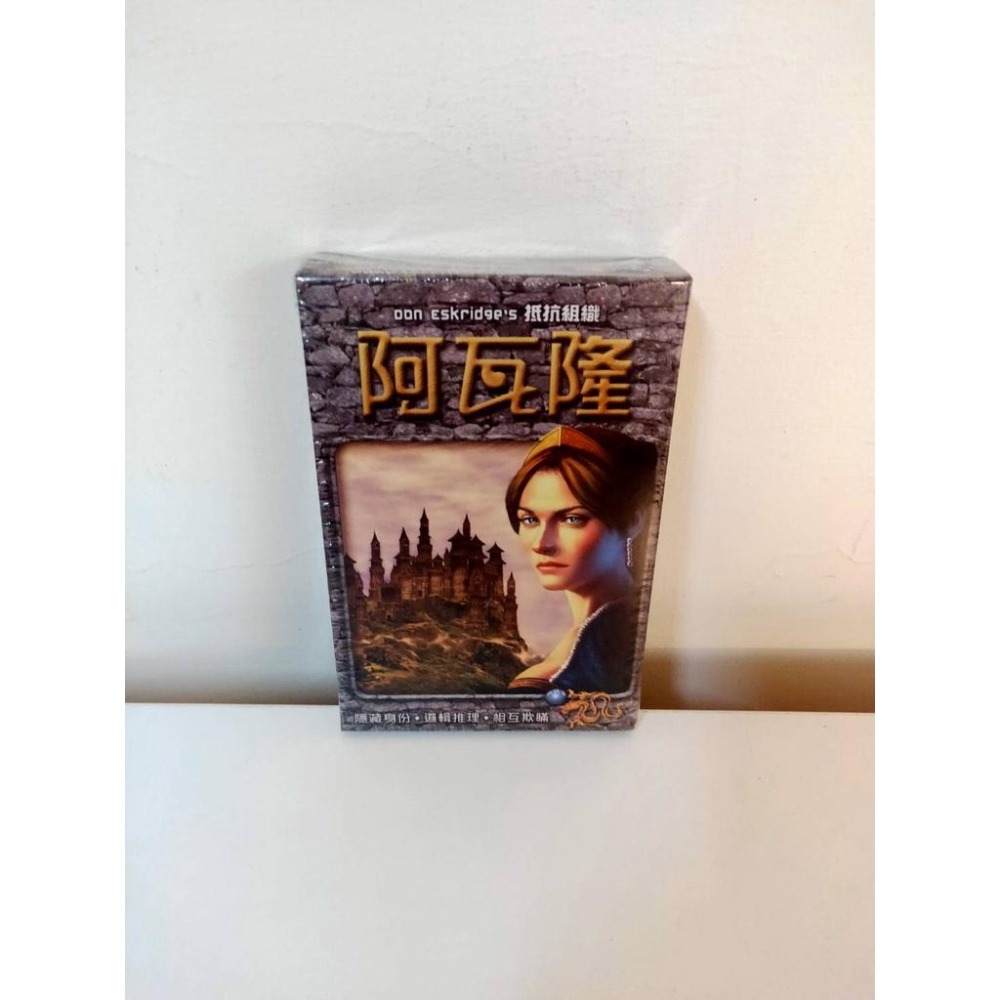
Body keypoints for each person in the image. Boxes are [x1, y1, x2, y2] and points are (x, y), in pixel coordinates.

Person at [505, 426, 658, 694]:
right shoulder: (589, 643)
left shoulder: (583, 662)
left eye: (571, 518)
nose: (542, 543)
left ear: (633, 521)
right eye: (529, 520)